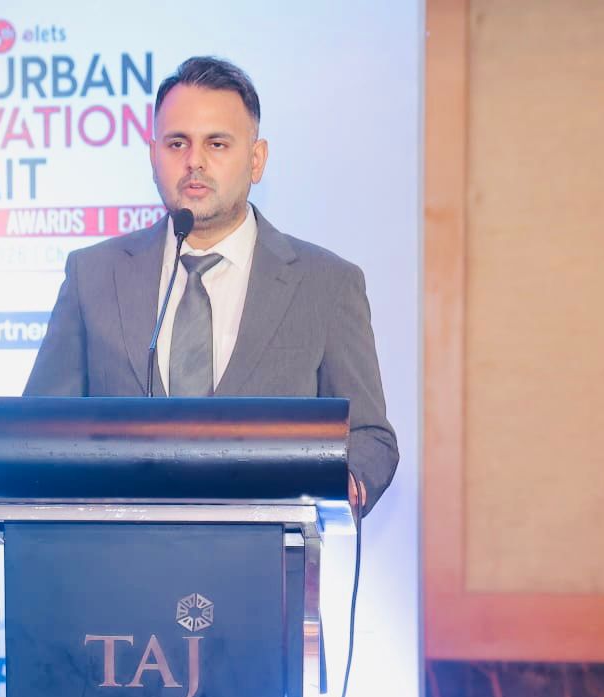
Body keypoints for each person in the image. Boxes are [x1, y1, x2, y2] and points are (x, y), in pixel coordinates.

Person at [24, 55, 398, 516]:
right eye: (176, 143)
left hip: (267, 552)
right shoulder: (93, 275)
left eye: (217, 144)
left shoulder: (326, 284)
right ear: (153, 156)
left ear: (256, 160)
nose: (194, 161)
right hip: (116, 552)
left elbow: (369, 438)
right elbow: (36, 435)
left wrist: (344, 481)